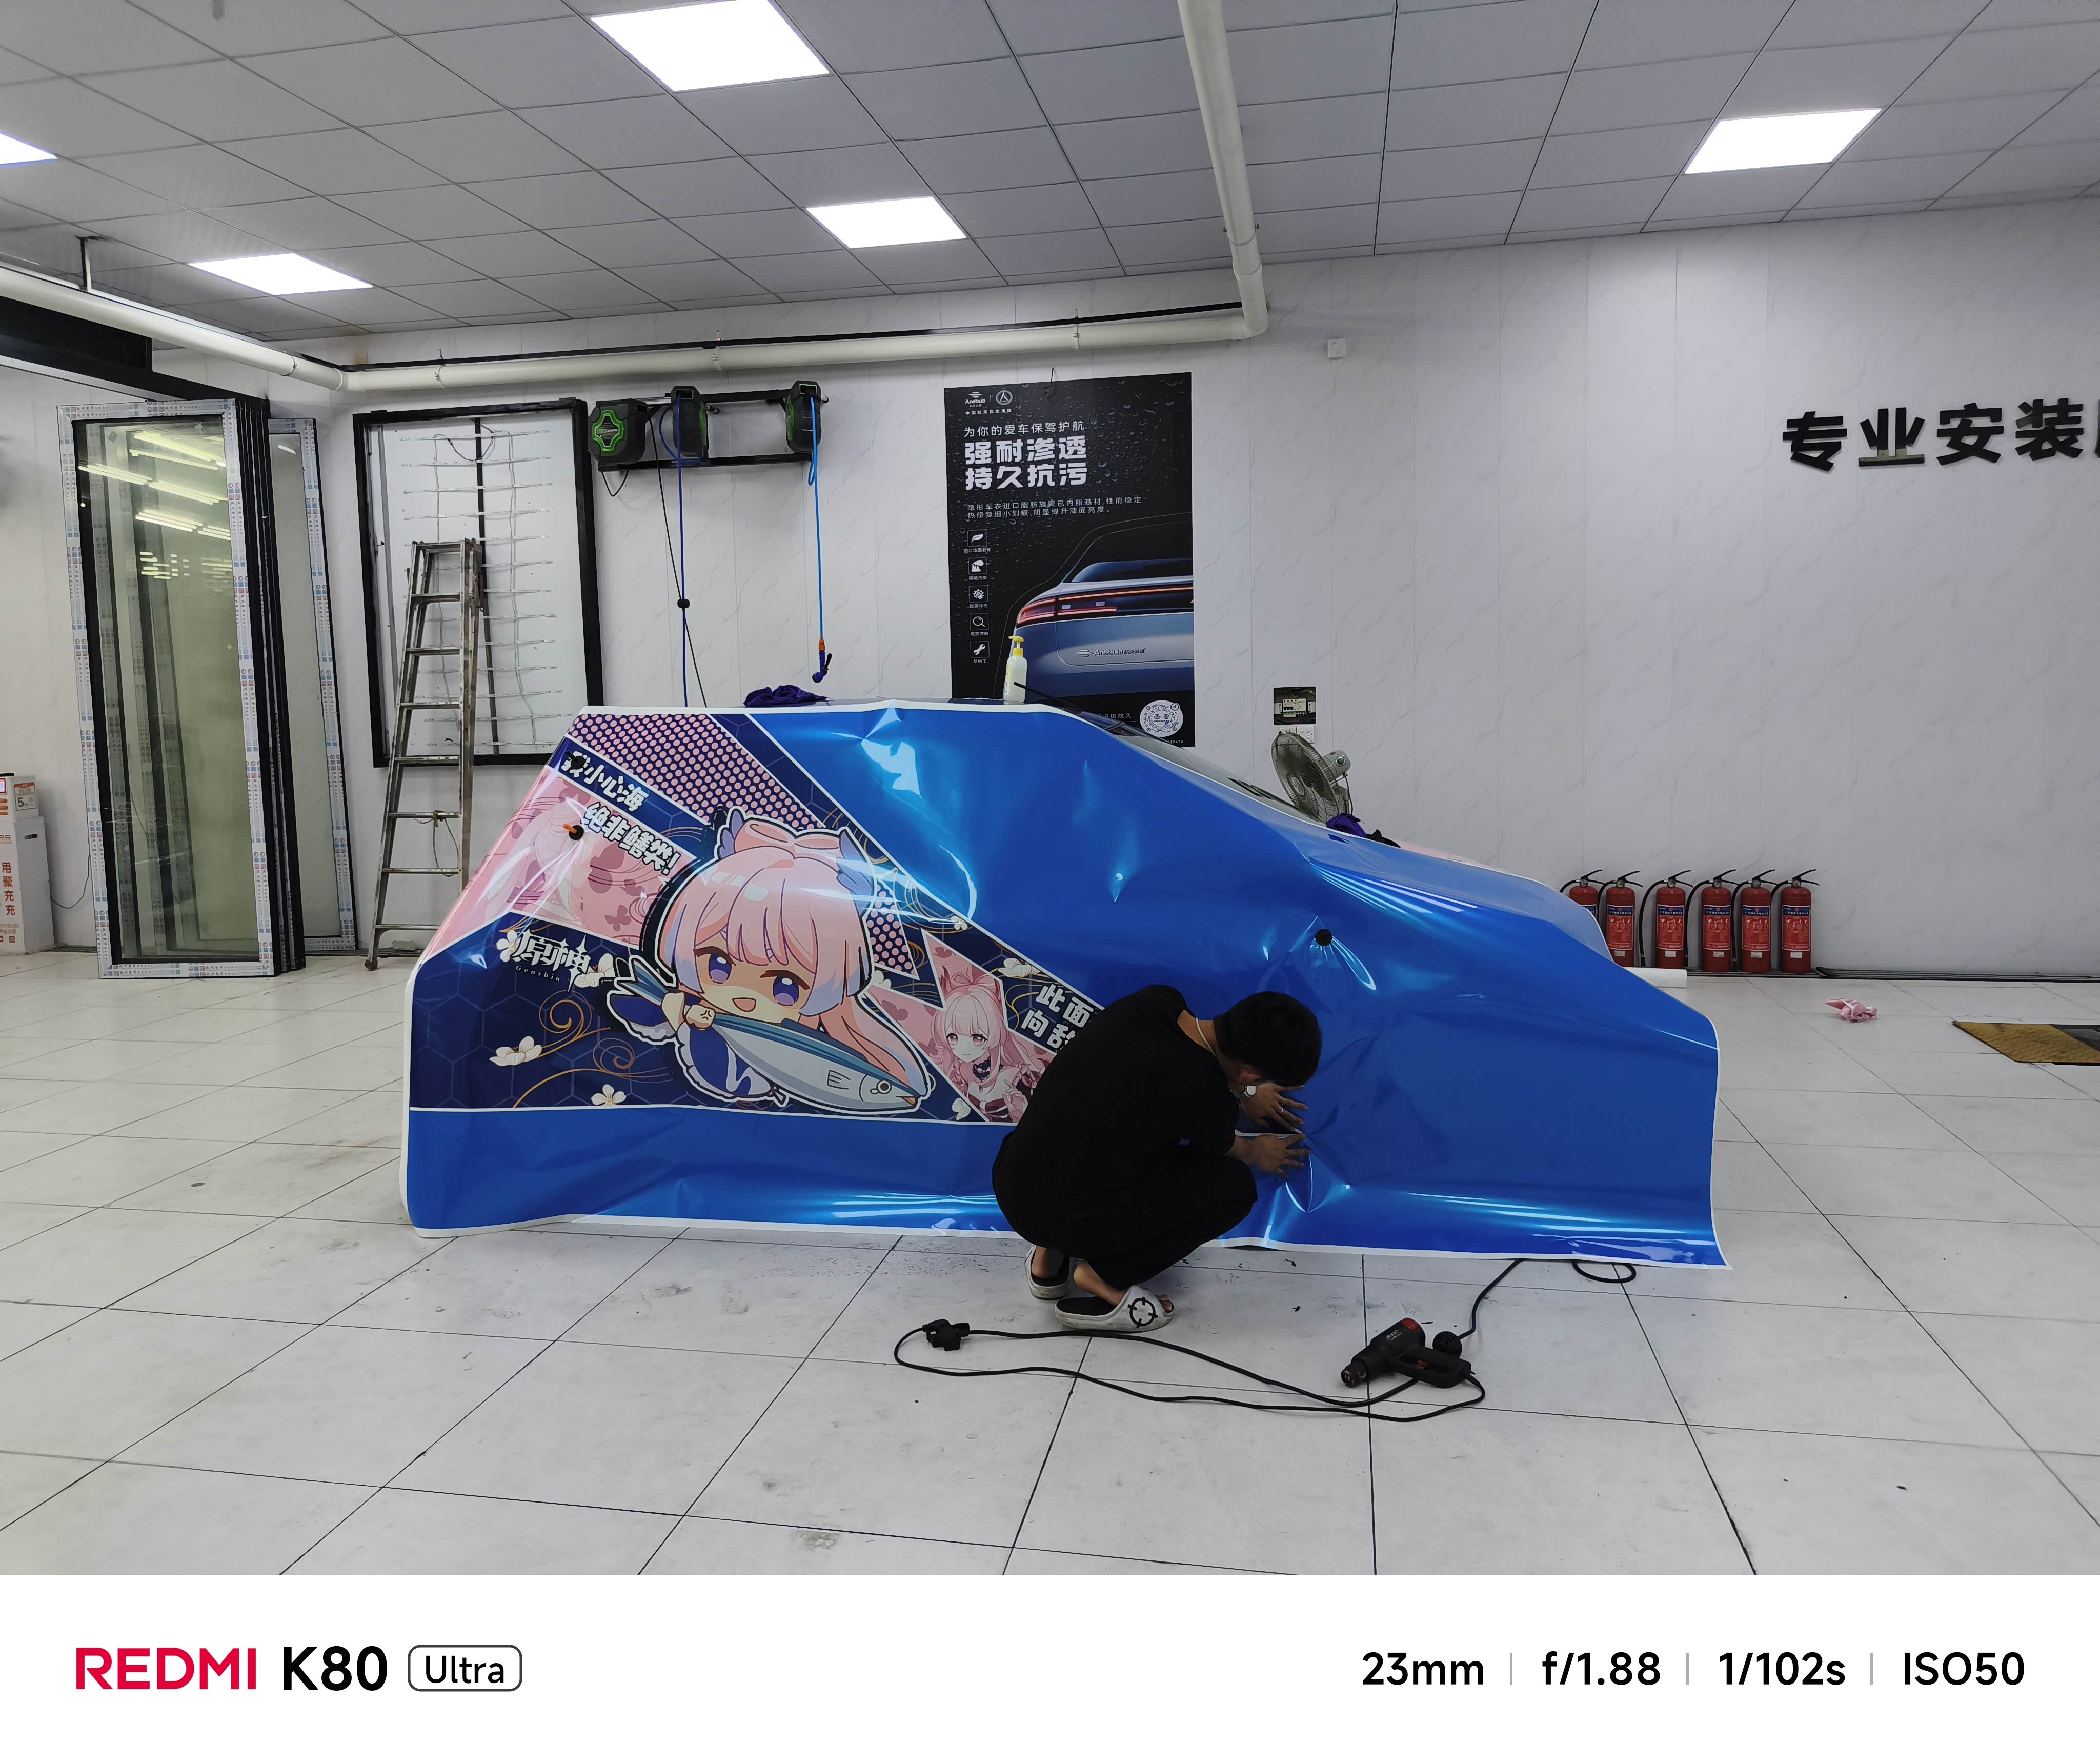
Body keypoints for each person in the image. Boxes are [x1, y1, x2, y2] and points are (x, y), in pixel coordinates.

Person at [991, 985, 1321, 1333]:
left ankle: (1047, 1262)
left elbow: (1189, 1071)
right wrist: (1258, 1150)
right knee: (1235, 1188)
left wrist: (1247, 1087)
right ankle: (1104, 1277)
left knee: (1086, 1130)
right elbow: (1226, 1144)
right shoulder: (1207, 1100)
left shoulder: (1156, 1001)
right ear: (1250, 1074)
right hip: (1070, 1217)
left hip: (1015, 1183)